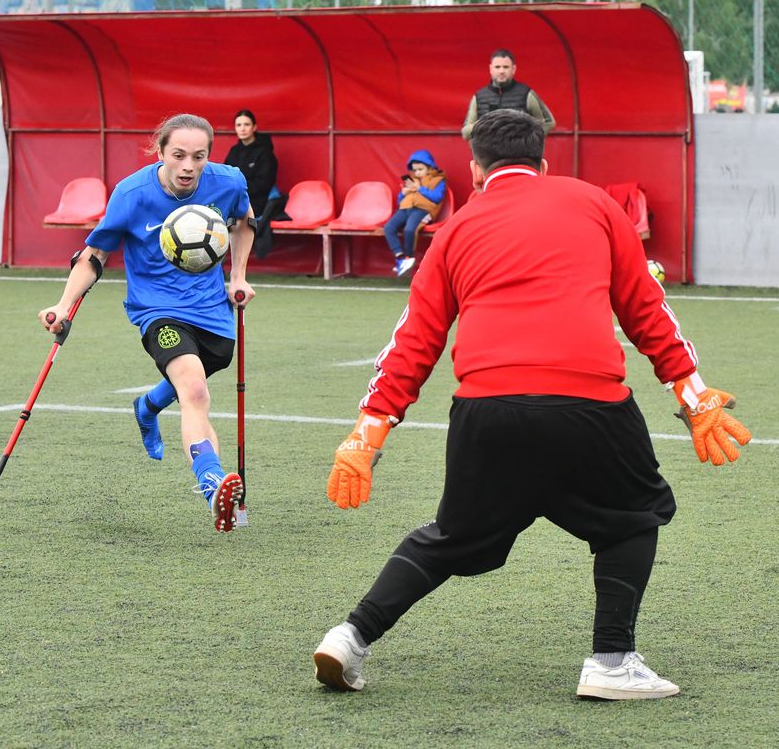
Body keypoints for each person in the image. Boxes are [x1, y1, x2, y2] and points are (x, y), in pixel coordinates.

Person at [312, 109, 751, 699]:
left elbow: (413, 343)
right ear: (545, 163)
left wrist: (368, 436)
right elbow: (647, 309)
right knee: (635, 517)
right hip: (590, 404)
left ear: (474, 171)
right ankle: (612, 662)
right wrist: (693, 396)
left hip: (487, 410)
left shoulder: (454, 231)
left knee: (449, 538)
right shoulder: (594, 203)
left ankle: (350, 636)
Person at [39, 113, 257, 533]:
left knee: (205, 367)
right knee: (194, 388)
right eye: (178, 155)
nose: (188, 166)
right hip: (157, 309)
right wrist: (64, 304)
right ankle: (213, 483)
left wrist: (239, 277)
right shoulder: (132, 194)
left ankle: (148, 405)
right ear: (160, 152)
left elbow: (244, 223)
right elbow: (94, 255)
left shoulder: (228, 181)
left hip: (211, 309)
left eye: (198, 156)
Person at [460, 49, 556, 141]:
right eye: (497, 67)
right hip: (488, 156)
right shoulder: (479, 97)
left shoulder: (527, 94)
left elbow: (548, 122)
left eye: (506, 67)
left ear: (513, 69)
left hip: (519, 156)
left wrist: (528, 143)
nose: (501, 71)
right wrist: (485, 123)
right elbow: (466, 133)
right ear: (490, 69)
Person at [383, 150, 446, 277]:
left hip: (422, 209)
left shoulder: (439, 180)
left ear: (430, 167)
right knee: (389, 227)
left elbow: (437, 197)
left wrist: (419, 188)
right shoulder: (411, 179)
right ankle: (400, 258)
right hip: (405, 208)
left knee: (409, 230)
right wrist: (403, 193)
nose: (417, 172)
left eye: (420, 169)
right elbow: (400, 201)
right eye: (415, 170)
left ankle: (408, 258)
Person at [223, 109, 279, 220]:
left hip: (257, 202)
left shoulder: (265, 152)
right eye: (238, 125)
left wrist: (238, 188)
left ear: (254, 127)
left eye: (247, 124)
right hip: (235, 198)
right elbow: (225, 176)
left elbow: (264, 184)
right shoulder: (234, 151)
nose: (242, 129)